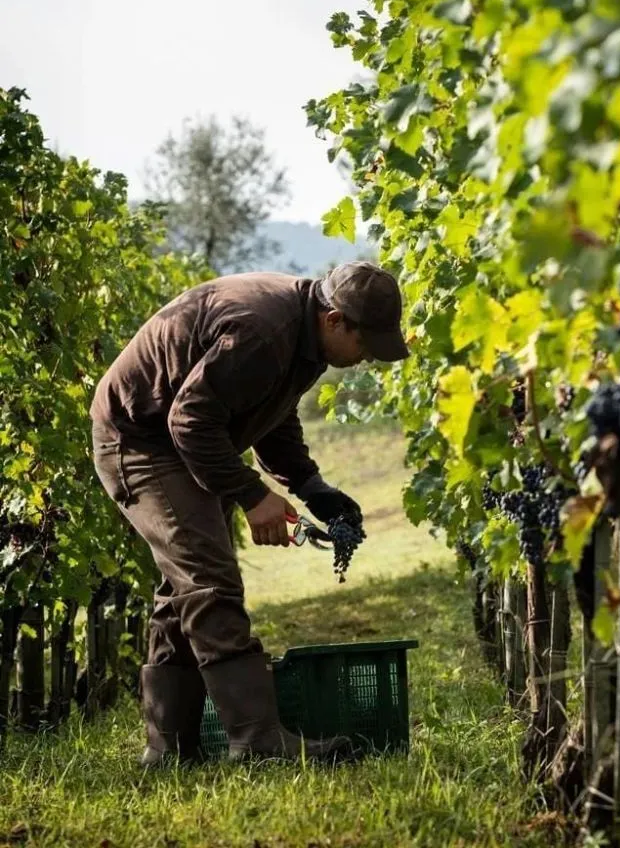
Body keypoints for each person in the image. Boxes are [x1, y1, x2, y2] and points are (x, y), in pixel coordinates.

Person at [89, 260, 409, 767]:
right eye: (366, 343)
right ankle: (257, 740)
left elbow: (271, 415)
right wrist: (252, 495)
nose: (368, 356)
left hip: (174, 441)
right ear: (334, 320)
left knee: (186, 587)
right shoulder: (264, 329)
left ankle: (168, 748)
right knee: (210, 580)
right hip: (140, 439)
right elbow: (189, 420)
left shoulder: (306, 339)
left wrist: (310, 486)